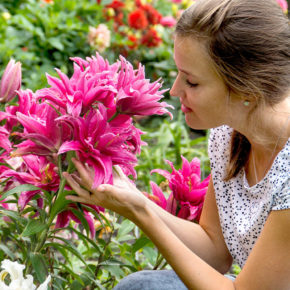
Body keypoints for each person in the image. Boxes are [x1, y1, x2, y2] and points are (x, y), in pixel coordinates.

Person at [63, 0, 290, 289]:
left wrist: (141, 213)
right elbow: (215, 253)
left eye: (192, 82)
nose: (174, 90)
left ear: (246, 88)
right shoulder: (228, 135)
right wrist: (135, 198)